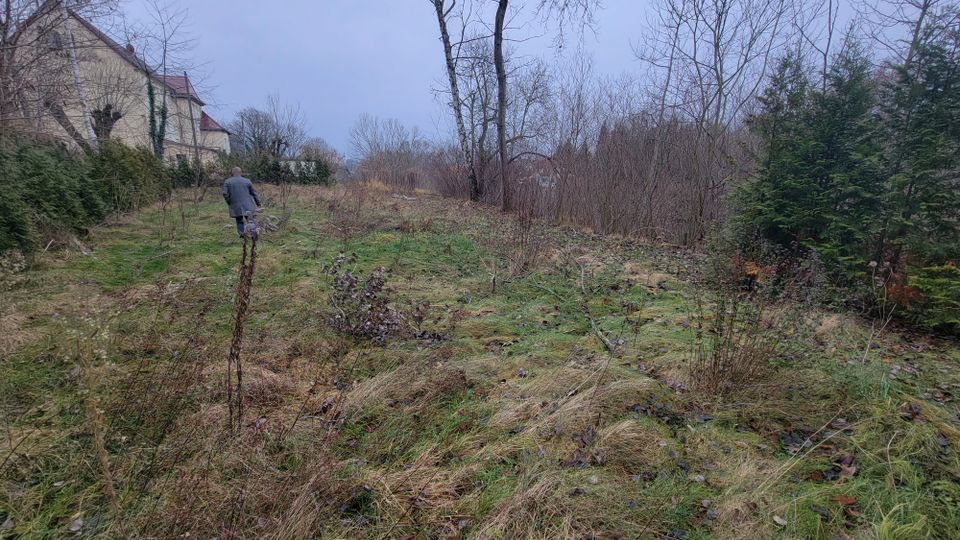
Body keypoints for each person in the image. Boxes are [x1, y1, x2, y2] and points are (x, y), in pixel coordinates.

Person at [222, 167, 262, 238]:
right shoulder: (247, 181)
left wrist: (229, 201)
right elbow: (254, 193)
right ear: (241, 173)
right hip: (248, 204)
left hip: (235, 205)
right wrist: (258, 203)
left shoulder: (227, 181)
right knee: (251, 220)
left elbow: (225, 193)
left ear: (232, 173)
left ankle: (242, 235)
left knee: (239, 220)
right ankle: (253, 234)